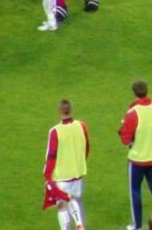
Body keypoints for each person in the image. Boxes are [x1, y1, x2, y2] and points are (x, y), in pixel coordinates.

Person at [119, 79, 152, 230]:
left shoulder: (132, 113)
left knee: (135, 192)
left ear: (134, 93)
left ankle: (137, 226)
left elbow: (125, 139)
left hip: (137, 161)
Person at [43, 99, 89, 230]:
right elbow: (86, 147)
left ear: (59, 112)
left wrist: (47, 176)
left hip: (62, 176)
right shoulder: (82, 126)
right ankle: (79, 224)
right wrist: (80, 162)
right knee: (75, 201)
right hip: (78, 174)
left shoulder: (55, 131)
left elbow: (51, 156)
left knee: (62, 205)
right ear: (71, 110)